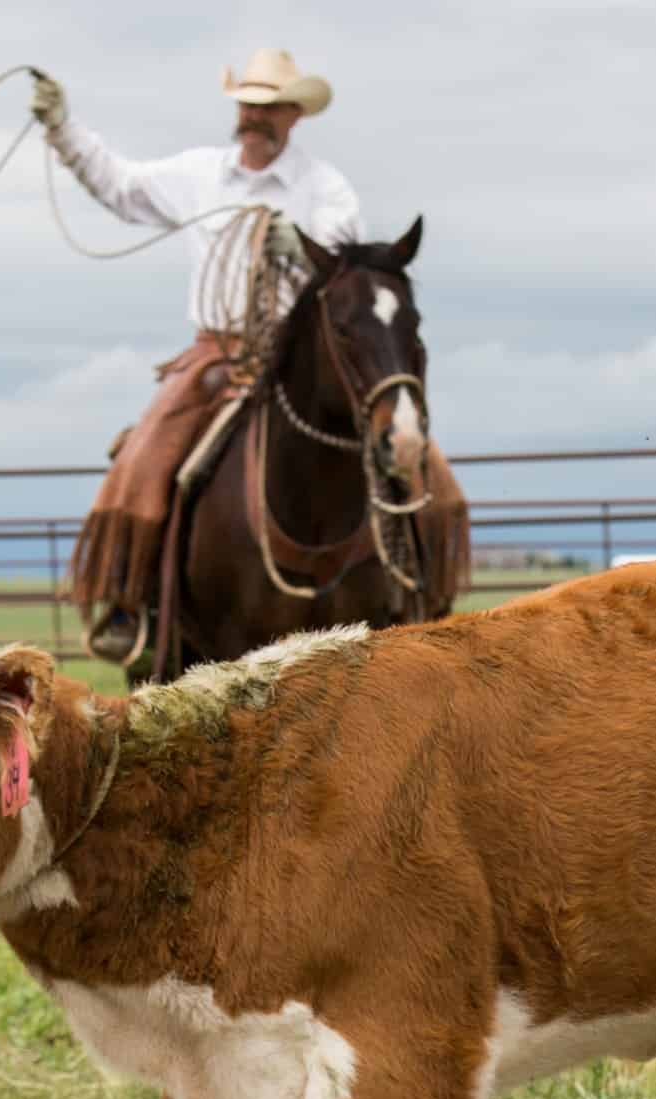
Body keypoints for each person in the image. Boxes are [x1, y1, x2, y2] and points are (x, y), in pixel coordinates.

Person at [32, 52, 455, 663]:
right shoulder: (199, 175)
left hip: (306, 358)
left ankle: (422, 594)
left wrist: (301, 246)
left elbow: (348, 268)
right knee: (144, 457)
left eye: (271, 104)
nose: (257, 115)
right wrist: (61, 127)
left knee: (421, 463)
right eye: (249, 102)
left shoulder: (325, 187)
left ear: (294, 114)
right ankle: (132, 606)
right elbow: (119, 186)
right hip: (217, 352)